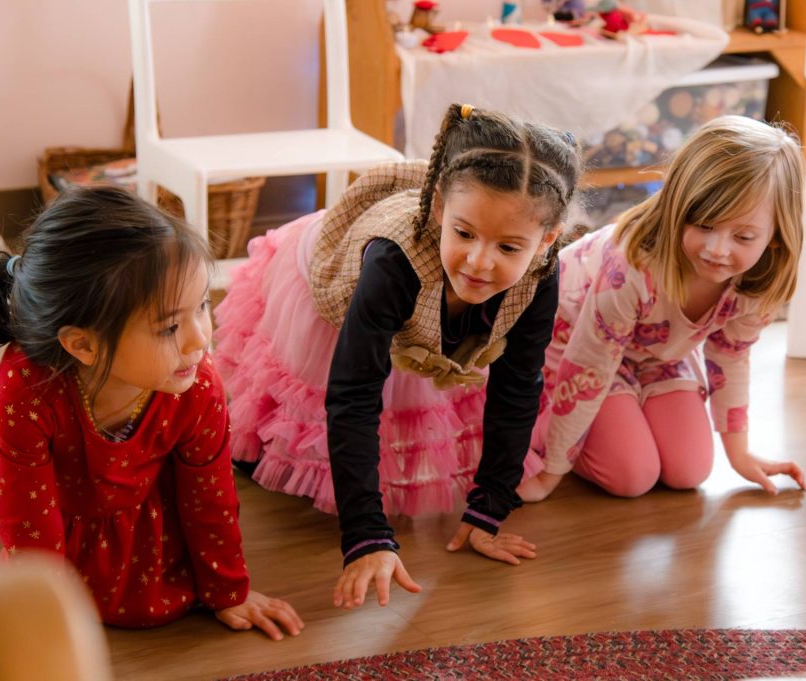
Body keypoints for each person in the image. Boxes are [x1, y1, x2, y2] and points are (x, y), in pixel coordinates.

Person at [212, 103, 582, 609]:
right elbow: (354, 396)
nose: (479, 261)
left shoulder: (542, 274)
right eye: (465, 233)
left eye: (509, 247)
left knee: (432, 368)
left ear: (547, 241)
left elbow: (518, 386)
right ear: (438, 213)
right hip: (334, 281)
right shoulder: (391, 262)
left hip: (427, 296)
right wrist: (366, 536)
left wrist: (489, 508)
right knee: (278, 446)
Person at [0, 186, 303, 638]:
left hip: (156, 535)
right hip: (63, 544)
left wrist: (228, 591)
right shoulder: (25, 392)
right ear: (83, 345)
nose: (200, 340)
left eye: (203, 307)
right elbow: (28, 524)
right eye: (170, 326)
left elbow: (210, 496)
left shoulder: (196, 382)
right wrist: (41, 622)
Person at [518, 115, 806, 503]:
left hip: (654, 353)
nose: (718, 250)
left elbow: (731, 356)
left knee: (690, 471)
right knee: (632, 476)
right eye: (704, 225)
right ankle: (543, 426)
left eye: (743, 236)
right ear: (677, 207)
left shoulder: (758, 277)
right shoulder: (634, 265)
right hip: (571, 346)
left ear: (774, 237)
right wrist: (551, 471)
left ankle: (625, 410)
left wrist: (739, 454)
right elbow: (589, 363)